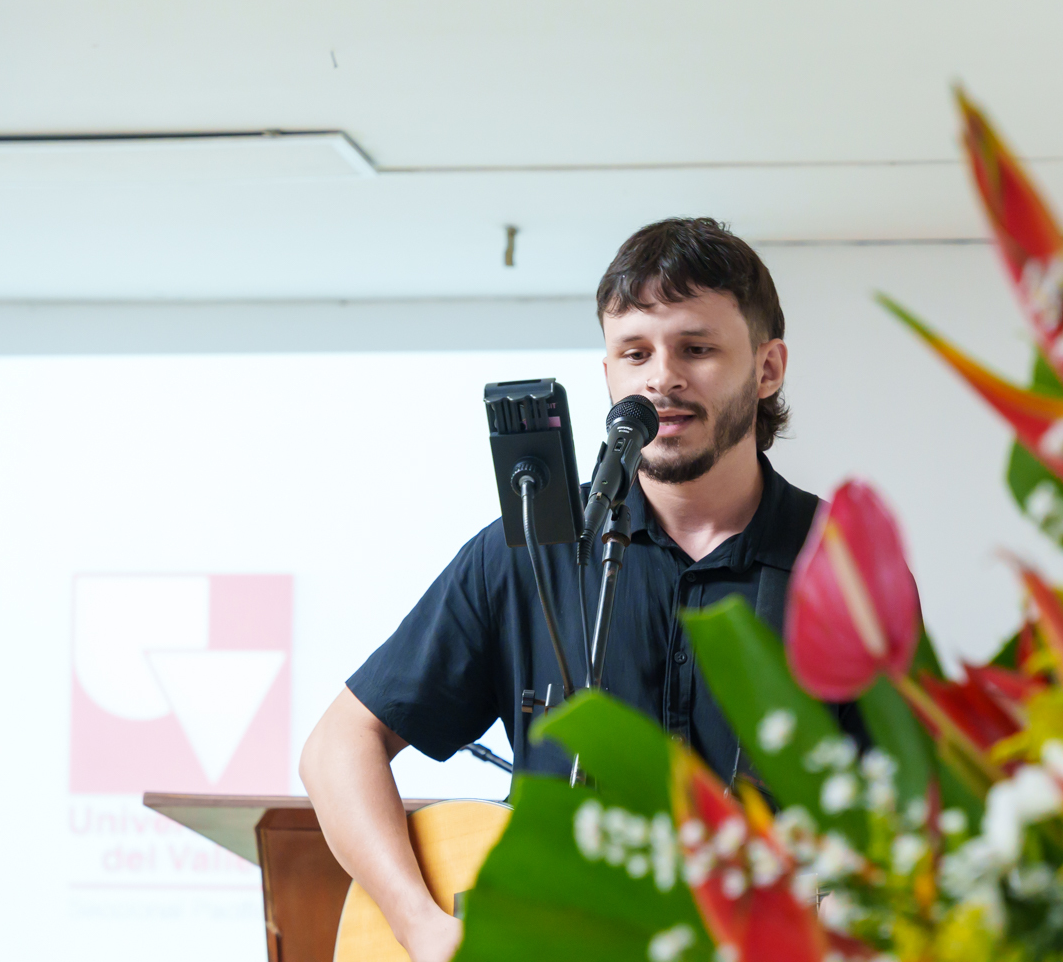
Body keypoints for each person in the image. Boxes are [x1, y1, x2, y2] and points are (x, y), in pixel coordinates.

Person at [300, 217, 863, 962]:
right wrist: (422, 925)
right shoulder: (530, 549)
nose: (661, 376)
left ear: (767, 368)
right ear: (609, 376)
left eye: (696, 348)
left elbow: (906, 828)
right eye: (635, 353)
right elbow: (339, 744)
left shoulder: (841, 573)